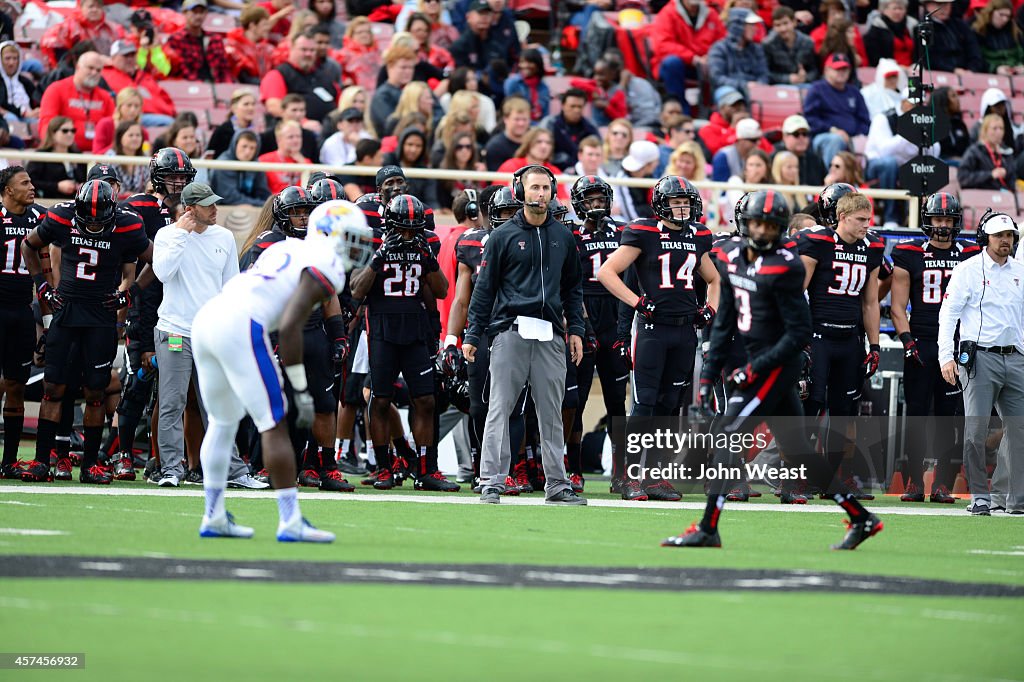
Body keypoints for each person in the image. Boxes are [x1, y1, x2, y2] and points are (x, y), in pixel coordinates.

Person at [662, 189, 883, 550]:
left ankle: (707, 527)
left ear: (780, 227)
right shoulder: (732, 256)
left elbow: (796, 333)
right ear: (744, 224)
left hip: (776, 367)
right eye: (756, 223)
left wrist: (755, 368)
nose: (762, 231)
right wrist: (708, 375)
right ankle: (861, 518)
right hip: (755, 362)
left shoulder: (787, 264)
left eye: (769, 225)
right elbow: (725, 320)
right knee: (799, 452)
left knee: (728, 430)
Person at [190, 200, 373, 540]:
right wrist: (300, 388)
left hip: (208, 319)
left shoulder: (284, 247)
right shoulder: (326, 265)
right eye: (351, 237)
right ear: (331, 234)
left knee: (222, 422)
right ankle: (290, 521)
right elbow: (290, 326)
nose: (358, 246)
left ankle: (213, 515)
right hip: (241, 324)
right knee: (274, 422)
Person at [463, 166, 587, 505]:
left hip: (550, 333)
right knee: (500, 409)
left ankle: (557, 485)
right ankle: (491, 481)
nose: (540, 194)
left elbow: (573, 289)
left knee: (551, 412)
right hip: (511, 330)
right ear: (520, 190)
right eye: (534, 187)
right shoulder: (502, 236)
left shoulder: (563, 236)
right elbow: (483, 290)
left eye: (546, 188)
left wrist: (575, 329)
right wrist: (473, 334)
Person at [19, 181, 151, 484]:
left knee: (95, 391)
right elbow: (29, 244)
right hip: (67, 313)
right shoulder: (62, 215)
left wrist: (128, 295)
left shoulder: (128, 224)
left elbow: (157, 261)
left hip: (100, 318)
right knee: (53, 389)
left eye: (98, 218)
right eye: (87, 217)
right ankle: (42, 461)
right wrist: (42, 287)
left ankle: (90, 463)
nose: (92, 223)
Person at [597, 176, 720, 501]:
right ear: (660, 204)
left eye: (685, 201)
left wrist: (710, 309)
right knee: (644, 404)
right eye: (676, 201)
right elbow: (606, 272)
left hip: (684, 331)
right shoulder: (643, 231)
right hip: (652, 329)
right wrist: (637, 301)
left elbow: (714, 279)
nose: (682, 208)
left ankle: (656, 477)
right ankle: (630, 476)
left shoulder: (697, 236)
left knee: (670, 406)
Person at [150, 183, 259, 489]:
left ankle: (234, 471)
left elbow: (230, 286)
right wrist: (181, 235)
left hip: (211, 333)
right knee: (172, 402)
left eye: (214, 203)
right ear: (189, 208)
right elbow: (163, 273)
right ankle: (171, 469)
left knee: (219, 405)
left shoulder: (224, 236)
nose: (215, 209)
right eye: (208, 205)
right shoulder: (167, 235)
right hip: (175, 330)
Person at [349, 194, 458, 492]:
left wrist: (427, 257)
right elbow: (356, 290)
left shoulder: (424, 246)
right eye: (403, 229)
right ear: (389, 225)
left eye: (414, 229)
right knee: (381, 399)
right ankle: (384, 467)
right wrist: (380, 255)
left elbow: (441, 290)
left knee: (426, 400)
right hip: (382, 329)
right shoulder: (373, 244)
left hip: (414, 330)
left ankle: (425, 469)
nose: (408, 234)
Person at [890, 192, 979, 504]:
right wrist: (906, 340)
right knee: (915, 414)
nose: (942, 226)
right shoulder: (908, 253)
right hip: (922, 341)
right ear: (927, 221)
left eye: (948, 220)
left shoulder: (970, 255)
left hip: (955, 345)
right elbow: (897, 306)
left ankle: (942, 482)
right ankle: (914, 480)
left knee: (950, 416)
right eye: (938, 219)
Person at [795, 188, 884, 494]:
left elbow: (871, 303)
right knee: (812, 405)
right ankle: (796, 475)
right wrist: (801, 339)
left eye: (868, 219)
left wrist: (874, 345)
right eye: (860, 219)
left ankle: (831, 477)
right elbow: (798, 293)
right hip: (819, 336)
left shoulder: (871, 247)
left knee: (845, 412)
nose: (865, 225)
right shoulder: (817, 242)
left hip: (850, 338)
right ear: (842, 217)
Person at [938, 212, 1024, 515]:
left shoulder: (1021, 271)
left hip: (1016, 358)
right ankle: (980, 497)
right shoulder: (967, 270)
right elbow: (948, 314)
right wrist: (945, 356)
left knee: (1019, 431)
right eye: (1000, 235)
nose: (1005, 241)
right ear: (984, 237)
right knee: (975, 432)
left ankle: (1014, 499)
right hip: (980, 357)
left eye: (1010, 235)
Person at [567, 175, 629, 491]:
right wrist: (578, 322)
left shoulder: (622, 231)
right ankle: (573, 467)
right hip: (584, 315)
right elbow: (567, 284)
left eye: (600, 199)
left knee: (617, 399)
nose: (596, 205)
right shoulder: (570, 233)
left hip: (616, 317)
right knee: (575, 399)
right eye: (590, 199)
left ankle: (622, 470)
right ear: (579, 203)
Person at [0, 167, 46, 480]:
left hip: (21, 311)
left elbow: (49, 267)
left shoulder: (40, 219)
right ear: (7, 190)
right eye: (24, 183)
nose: (32, 187)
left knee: (16, 384)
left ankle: (10, 461)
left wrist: (47, 317)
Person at [650, 0, 727, 111]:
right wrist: (692, 58)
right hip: (679, 65)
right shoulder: (668, 13)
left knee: (720, 63)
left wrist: (712, 56)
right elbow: (662, 45)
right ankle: (681, 111)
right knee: (672, 63)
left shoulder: (711, 14)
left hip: (705, 64)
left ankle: (714, 109)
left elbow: (722, 41)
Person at [803, 53, 870, 176]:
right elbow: (810, 119)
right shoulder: (817, 89)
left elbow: (865, 120)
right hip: (824, 136)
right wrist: (832, 130)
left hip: (853, 138)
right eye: (837, 69)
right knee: (835, 140)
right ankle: (833, 180)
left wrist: (858, 135)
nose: (841, 72)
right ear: (827, 70)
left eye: (844, 69)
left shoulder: (854, 92)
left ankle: (862, 183)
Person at [38, 51, 113, 154]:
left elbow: (113, 128)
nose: (94, 73)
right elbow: (46, 126)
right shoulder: (56, 90)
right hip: (66, 154)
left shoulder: (105, 97)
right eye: (90, 68)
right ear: (78, 67)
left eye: (98, 70)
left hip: (98, 156)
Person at [260, 31, 340, 129]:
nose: (308, 54)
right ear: (291, 49)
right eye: (304, 49)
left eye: (312, 50)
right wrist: (303, 122)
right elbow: (274, 106)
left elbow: (342, 102)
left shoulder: (324, 76)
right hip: (296, 132)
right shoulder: (278, 74)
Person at [101, 40, 175, 128]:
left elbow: (165, 98)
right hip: (130, 119)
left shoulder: (145, 76)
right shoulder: (105, 76)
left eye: (132, 55)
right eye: (125, 56)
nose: (130, 59)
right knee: (171, 124)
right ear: (113, 58)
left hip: (160, 116)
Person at [165, 0, 233, 83]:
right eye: (194, 12)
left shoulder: (215, 39)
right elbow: (181, 70)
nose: (198, 16)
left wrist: (227, 88)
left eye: (201, 12)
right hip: (190, 88)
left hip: (216, 87)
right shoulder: (176, 39)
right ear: (184, 13)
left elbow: (224, 69)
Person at [707, 8, 769, 95]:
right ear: (738, 26)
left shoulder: (756, 49)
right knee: (733, 98)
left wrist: (759, 85)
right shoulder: (719, 49)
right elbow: (717, 78)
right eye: (751, 25)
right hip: (729, 91)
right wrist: (744, 85)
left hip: (755, 91)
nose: (755, 29)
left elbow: (763, 74)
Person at [914, 0, 985, 74]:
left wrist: (971, 69)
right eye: (939, 4)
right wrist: (952, 70)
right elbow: (928, 58)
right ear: (928, 6)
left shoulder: (961, 26)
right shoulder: (924, 29)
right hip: (939, 76)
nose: (943, 8)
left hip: (967, 74)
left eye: (947, 4)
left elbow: (974, 52)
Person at [26, 117, 87, 200]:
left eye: (73, 131)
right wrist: (57, 186)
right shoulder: (41, 155)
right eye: (65, 131)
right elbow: (30, 181)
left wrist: (81, 186)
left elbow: (85, 180)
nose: (70, 134)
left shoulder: (79, 155)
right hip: (48, 202)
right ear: (53, 133)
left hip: (75, 203)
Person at [210, 131, 272, 207]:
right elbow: (230, 198)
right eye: (244, 146)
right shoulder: (223, 163)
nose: (247, 152)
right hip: (221, 209)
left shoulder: (256, 164)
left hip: (251, 207)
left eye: (252, 148)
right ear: (235, 145)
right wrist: (261, 204)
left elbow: (263, 192)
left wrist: (270, 204)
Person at [544, 88, 601, 171]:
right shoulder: (550, 123)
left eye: (580, 107)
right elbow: (543, 151)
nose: (576, 110)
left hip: (582, 173)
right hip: (553, 171)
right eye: (572, 106)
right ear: (563, 106)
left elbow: (598, 151)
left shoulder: (590, 127)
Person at [959, 113, 1018, 191]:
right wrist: (990, 175)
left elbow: (1013, 178)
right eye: (995, 128)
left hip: (1005, 197)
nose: (999, 132)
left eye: (1001, 128)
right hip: (982, 197)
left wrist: (1006, 174)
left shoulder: (1007, 152)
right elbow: (963, 178)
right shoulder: (974, 152)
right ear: (985, 130)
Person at [763, 6, 820, 86]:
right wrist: (788, 78)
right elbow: (766, 73)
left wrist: (805, 78)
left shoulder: (807, 42)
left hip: (805, 84)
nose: (783, 29)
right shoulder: (768, 44)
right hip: (780, 85)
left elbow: (815, 70)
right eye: (778, 25)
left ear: (794, 23)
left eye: (785, 23)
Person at [224, 5, 276, 84]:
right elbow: (244, 78)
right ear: (252, 26)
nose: (268, 28)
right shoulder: (233, 46)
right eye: (265, 24)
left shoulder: (266, 47)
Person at [973, 0, 1024, 75]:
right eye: (1001, 15)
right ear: (991, 12)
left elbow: (1021, 54)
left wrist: (1022, 67)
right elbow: (976, 59)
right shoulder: (978, 31)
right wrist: (995, 69)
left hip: (1015, 74)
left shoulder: (1015, 31)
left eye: (1008, 16)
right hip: (989, 76)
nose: (1004, 19)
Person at [259, 120, 310, 194]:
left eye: (298, 136)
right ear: (279, 140)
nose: (296, 140)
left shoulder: (307, 162)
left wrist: (303, 163)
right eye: (290, 137)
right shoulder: (264, 160)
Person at [207, 89, 259, 161]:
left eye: (253, 104)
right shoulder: (223, 131)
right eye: (246, 104)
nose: (251, 108)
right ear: (234, 108)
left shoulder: (256, 132)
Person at [484, 96, 532, 172]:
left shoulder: (535, 143)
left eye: (524, 119)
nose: (521, 123)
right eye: (517, 119)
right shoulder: (495, 146)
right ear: (506, 119)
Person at [863, 0, 916, 67]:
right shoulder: (876, 29)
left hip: (912, 69)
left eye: (901, 8)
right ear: (884, 10)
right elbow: (874, 56)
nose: (898, 12)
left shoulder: (913, 26)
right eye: (894, 8)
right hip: (888, 70)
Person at [504, 49, 550, 123]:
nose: (525, 65)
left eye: (530, 62)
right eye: (522, 62)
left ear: (538, 65)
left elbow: (546, 115)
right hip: (519, 124)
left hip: (539, 128)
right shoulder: (512, 83)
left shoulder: (544, 87)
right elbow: (510, 110)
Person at [337, 17, 382, 93]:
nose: (364, 35)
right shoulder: (343, 55)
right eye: (360, 32)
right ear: (351, 35)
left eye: (367, 32)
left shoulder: (379, 54)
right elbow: (337, 74)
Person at [106, 122, 150, 198]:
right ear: (120, 137)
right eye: (131, 135)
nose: (135, 138)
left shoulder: (145, 158)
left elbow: (148, 185)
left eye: (138, 135)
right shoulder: (110, 157)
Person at [0, 42, 39, 123]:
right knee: (12, 119)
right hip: (9, 117)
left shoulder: (24, 81)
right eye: (7, 58)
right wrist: (23, 113)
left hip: (29, 114)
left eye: (15, 58)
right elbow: (3, 104)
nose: (11, 63)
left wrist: (38, 110)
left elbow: (37, 97)